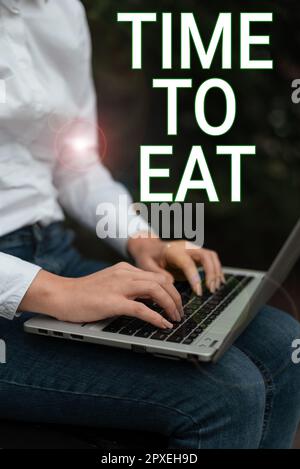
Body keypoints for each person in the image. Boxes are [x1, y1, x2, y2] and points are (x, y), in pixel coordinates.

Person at [0, 0, 299, 449]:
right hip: (17, 280)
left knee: (286, 346)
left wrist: (144, 240)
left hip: (54, 252)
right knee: (228, 395)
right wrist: (53, 292)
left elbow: (76, 167)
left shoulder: (62, 11)